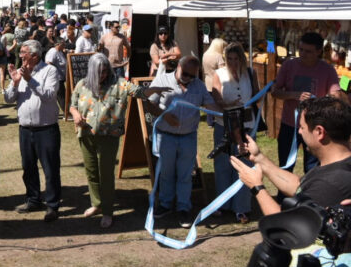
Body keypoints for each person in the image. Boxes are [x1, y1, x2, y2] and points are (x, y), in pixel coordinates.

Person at [70, 53, 169, 228]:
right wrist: (76, 114)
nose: (103, 75)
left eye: (105, 71)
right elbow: (73, 104)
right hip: (86, 134)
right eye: (99, 72)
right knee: (91, 171)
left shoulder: (119, 84)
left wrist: (155, 89)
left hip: (109, 136)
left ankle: (108, 211)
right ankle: (97, 204)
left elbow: (139, 91)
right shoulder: (82, 84)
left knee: (106, 174)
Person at [231, 96, 351, 215]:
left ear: (319, 132)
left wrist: (256, 187)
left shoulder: (329, 184)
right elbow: (300, 187)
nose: (299, 131)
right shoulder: (339, 164)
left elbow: (286, 227)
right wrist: (258, 158)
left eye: (302, 127)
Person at [146, 55, 217, 228]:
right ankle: (165, 204)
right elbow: (148, 103)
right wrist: (165, 116)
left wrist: (227, 108)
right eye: (185, 73)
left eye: (192, 76)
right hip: (166, 136)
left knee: (186, 174)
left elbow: (211, 105)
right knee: (166, 173)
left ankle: (184, 208)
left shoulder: (199, 86)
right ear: (178, 67)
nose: (188, 78)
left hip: (188, 137)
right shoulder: (162, 79)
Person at [271, 32, 342, 177]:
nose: (303, 54)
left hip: (314, 128)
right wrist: (294, 95)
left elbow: (336, 96)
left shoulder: (327, 70)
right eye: (301, 49)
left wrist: (323, 101)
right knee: (285, 167)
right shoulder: (289, 65)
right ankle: (283, 199)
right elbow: (275, 92)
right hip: (290, 126)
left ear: (319, 51)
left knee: (313, 170)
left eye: (308, 51)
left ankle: (309, 199)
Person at [5, 40, 61, 222]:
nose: (20, 56)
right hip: (25, 129)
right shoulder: (20, 73)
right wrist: (14, 83)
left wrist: (30, 79)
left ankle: (52, 205)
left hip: (46, 129)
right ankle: (33, 199)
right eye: (20, 52)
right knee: (28, 167)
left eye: (23, 52)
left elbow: (49, 96)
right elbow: (8, 99)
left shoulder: (50, 71)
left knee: (50, 169)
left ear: (35, 56)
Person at [211, 42, 258, 223]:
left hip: (246, 123)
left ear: (241, 59)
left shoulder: (250, 73)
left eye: (235, 58)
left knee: (244, 164)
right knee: (223, 164)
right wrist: (228, 105)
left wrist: (260, 94)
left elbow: (257, 95)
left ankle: (241, 207)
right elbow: (216, 99)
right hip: (224, 123)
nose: (232, 62)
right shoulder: (219, 74)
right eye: (229, 58)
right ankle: (222, 204)